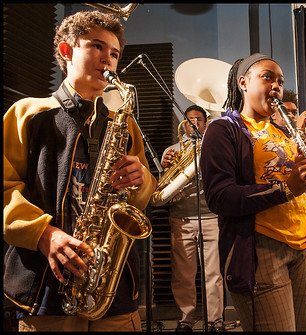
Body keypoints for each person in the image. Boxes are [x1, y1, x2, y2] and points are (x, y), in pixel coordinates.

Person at [3, 10, 156, 332]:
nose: (108, 59)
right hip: (45, 282)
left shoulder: (123, 122)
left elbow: (142, 196)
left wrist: (140, 179)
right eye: (97, 47)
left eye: (114, 53)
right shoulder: (26, 113)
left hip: (112, 285)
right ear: (66, 51)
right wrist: (44, 234)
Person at [199, 53, 306, 331]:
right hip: (261, 248)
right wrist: (285, 189)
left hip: (304, 243)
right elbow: (220, 197)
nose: (276, 86)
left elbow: (305, 194)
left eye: (280, 82)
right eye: (267, 77)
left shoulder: (284, 134)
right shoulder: (223, 129)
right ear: (243, 82)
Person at [159, 105, 224, 332]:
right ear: (183, 124)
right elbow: (165, 185)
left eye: (198, 120)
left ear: (205, 123)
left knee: (213, 273)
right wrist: (166, 167)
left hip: (210, 216)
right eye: (189, 120)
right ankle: (186, 318)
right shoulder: (171, 151)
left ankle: (215, 320)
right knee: (183, 274)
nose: (193, 124)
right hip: (181, 218)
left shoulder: (214, 147)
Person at [270, 88, 306, 331]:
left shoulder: (302, 142)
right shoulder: (270, 144)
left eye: (293, 112)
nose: (291, 117)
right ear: (272, 115)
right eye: (285, 112)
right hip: (276, 236)